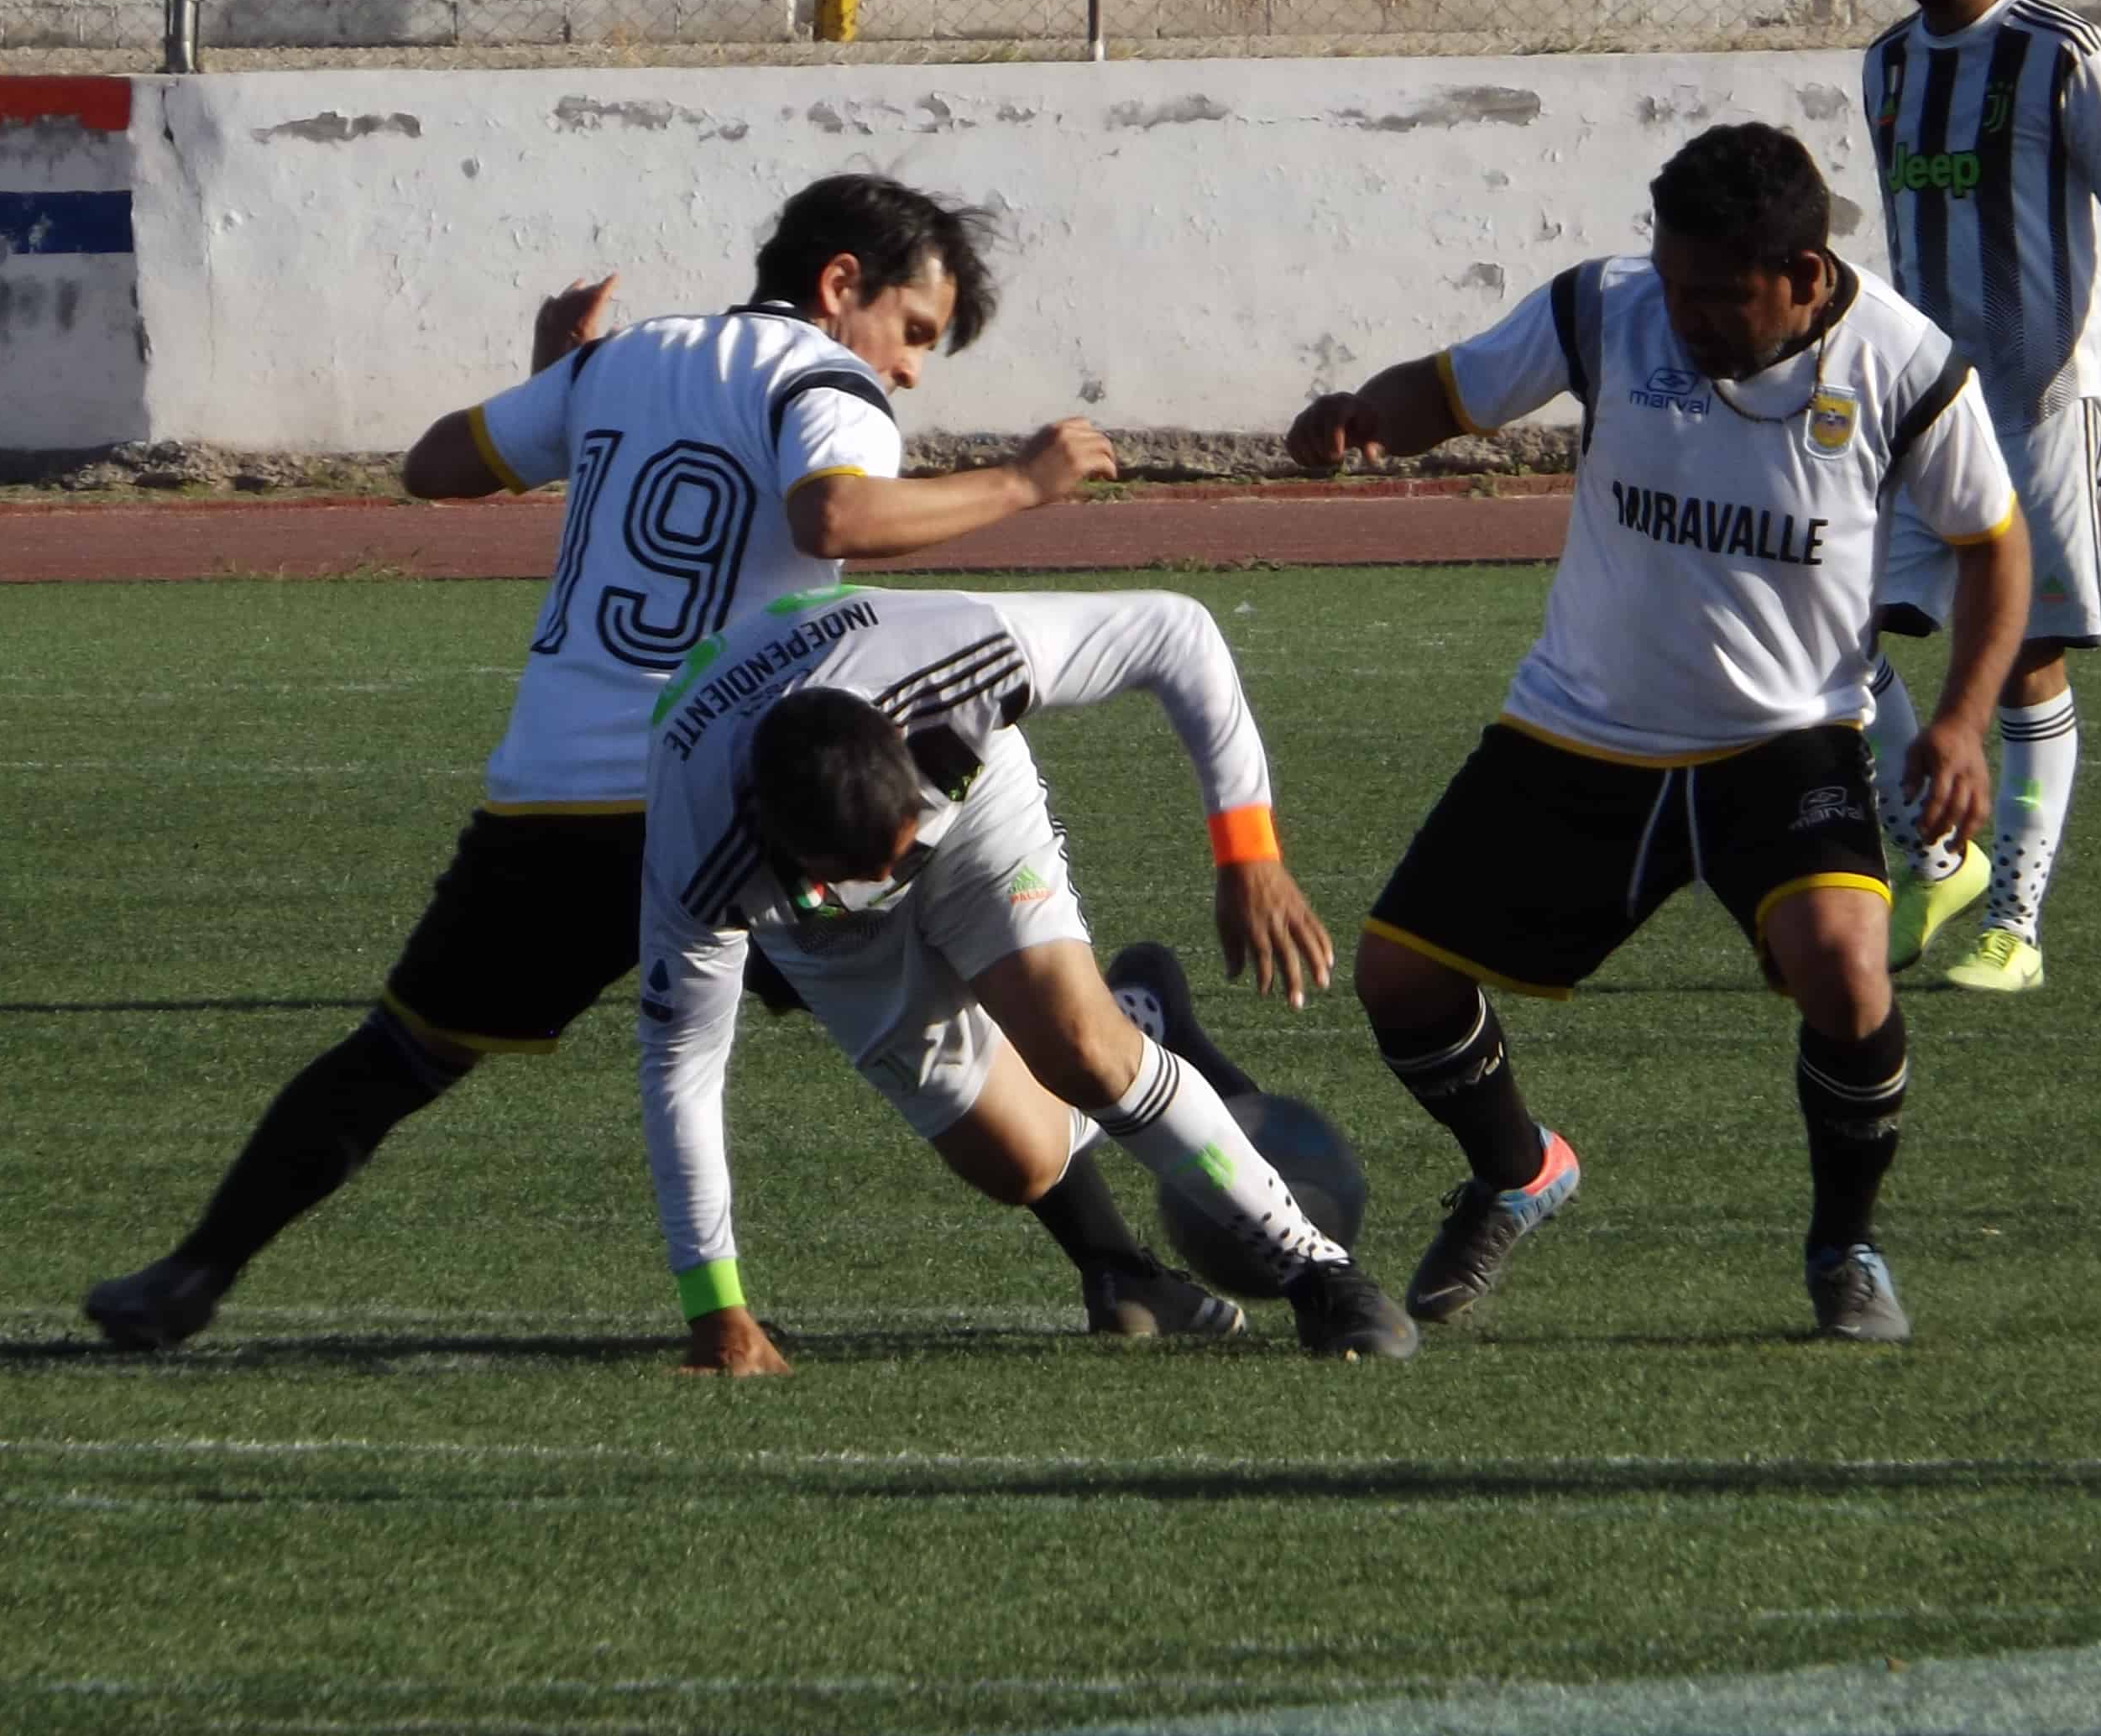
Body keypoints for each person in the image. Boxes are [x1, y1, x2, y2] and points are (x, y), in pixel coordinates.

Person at [84, 174, 1244, 1352]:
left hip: (570, 797)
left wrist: (554, 380)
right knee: (963, 1080)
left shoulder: (620, 364)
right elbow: (834, 519)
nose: (909, 371)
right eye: (915, 334)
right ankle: (1121, 1222)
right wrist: (1022, 483)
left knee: (405, 1056)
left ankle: (191, 1273)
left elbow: (434, 466)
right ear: (842, 284)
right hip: (741, 798)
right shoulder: (824, 379)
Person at [1286, 123, 2027, 1344]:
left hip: (1785, 742)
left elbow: (1995, 544)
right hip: (1583, 727)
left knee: (1846, 970)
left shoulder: (1903, 363)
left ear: (1802, 274)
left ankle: (1846, 1246)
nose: (1684, 315)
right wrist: (1367, 413)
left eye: (1718, 297)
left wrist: (1957, 720)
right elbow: (1455, 388)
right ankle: (1518, 1169)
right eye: (1673, 281)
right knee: (1398, 976)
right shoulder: (1609, 308)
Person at [635, 582, 1421, 1372]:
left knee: (1082, 1047)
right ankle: (1138, 1044)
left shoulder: (962, 662)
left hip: (975, 819)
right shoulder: (700, 861)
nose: (894, 875)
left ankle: (1320, 1274)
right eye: (862, 869)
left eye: (902, 845)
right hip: (820, 925)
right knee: (1020, 1163)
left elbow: (1176, 630)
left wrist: (1247, 850)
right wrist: (715, 1308)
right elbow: (682, 1071)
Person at [1862, 0, 2101, 996]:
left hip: (2040, 404)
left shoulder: (2062, 55)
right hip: (1919, 408)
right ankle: (1937, 855)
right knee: (1836, 642)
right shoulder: (1888, 66)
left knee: (2025, 661)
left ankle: (2015, 923)